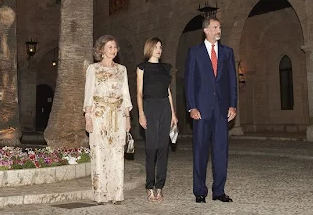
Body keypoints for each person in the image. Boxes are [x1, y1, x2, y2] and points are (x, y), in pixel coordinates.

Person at [185, 16, 237, 204]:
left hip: (222, 110)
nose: (218, 30)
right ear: (206, 30)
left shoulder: (227, 53)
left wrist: (233, 104)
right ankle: (199, 191)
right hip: (201, 110)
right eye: (215, 27)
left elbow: (232, 81)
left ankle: (219, 191)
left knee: (221, 151)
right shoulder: (195, 52)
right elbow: (190, 82)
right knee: (200, 150)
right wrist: (192, 106)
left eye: (220, 27)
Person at [84, 35, 132, 205]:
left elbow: (125, 94)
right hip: (99, 115)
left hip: (118, 115)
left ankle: (116, 194)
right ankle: (101, 194)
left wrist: (127, 118)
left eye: (115, 47)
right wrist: (88, 117)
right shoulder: (93, 69)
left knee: (117, 153)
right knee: (99, 152)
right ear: (101, 50)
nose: (113, 50)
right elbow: (89, 94)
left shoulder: (122, 70)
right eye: (110, 47)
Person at [136, 37, 178, 203]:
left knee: (163, 147)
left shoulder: (166, 68)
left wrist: (173, 114)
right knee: (151, 148)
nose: (159, 50)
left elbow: (168, 92)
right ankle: (149, 185)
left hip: (164, 108)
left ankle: (159, 186)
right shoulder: (142, 68)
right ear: (149, 48)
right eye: (156, 47)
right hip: (149, 106)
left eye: (161, 47)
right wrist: (141, 113)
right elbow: (139, 92)